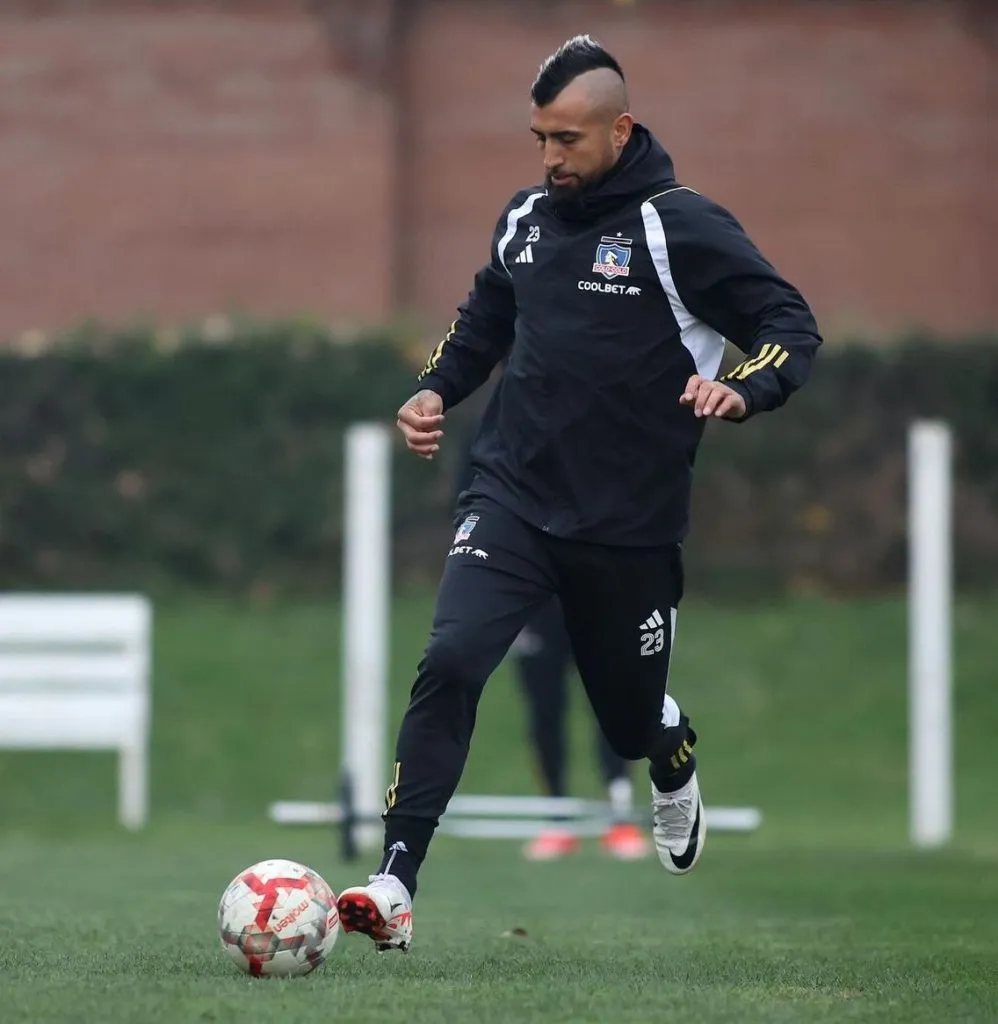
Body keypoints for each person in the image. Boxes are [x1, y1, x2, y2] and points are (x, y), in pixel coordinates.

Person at [337, 35, 821, 952]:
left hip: (627, 529)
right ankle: (394, 883)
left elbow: (788, 323)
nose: (550, 159)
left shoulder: (679, 227)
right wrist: (435, 389)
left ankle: (669, 743)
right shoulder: (524, 218)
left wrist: (745, 387)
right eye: (539, 139)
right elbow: (484, 319)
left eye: (567, 139)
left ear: (619, 130)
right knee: (451, 661)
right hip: (511, 496)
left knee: (629, 725)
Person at [455, 424, 650, 862]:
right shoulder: (494, 431)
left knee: (613, 701)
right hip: (534, 598)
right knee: (544, 706)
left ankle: (619, 814)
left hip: (600, 590)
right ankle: (556, 815)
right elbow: (470, 506)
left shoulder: (601, 421)